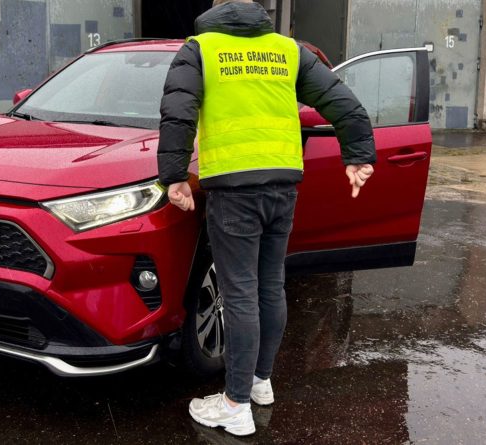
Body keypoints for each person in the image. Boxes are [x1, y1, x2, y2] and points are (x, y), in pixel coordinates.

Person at [157, 0, 377, 437]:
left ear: (214, 12)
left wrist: (174, 176)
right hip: (282, 186)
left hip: (234, 190)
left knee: (239, 293)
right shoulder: (287, 50)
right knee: (270, 285)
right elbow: (343, 101)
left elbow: (178, 112)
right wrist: (358, 154)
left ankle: (235, 404)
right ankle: (260, 383)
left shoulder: (200, 48)